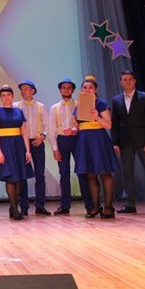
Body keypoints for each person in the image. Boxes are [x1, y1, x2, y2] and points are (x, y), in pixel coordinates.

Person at [75, 75, 119, 219]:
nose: (87, 90)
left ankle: (108, 207)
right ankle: (95, 206)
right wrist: (72, 130)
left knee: (104, 173)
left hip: (98, 139)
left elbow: (109, 125)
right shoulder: (78, 105)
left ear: (96, 90)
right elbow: (78, 125)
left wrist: (97, 117)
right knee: (90, 175)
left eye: (90, 87)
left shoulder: (100, 103)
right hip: (84, 140)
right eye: (84, 87)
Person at [48, 78, 92, 215]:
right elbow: (51, 130)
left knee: (82, 172)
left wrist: (75, 130)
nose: (66, 90)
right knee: (64, 173)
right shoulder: (54, 108)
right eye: (64, 87)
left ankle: (89, 205)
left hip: (78, 140)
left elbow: (85, 123)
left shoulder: (79, 104)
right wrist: (55, 149)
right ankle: (65, 206)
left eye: (69, 88)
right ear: (60, 90)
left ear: (73, 90)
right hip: (62, 141)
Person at [0, 86, 33, 221]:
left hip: (18, 146)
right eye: (3, 95)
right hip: (5, 146)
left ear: (13, 96)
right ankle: (14, 209)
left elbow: (24, 133)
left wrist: (28, 151)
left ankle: (13, 207)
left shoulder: (19, 112)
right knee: (10, 178)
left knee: (18, 177)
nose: (6, 97)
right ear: (0, 97)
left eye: (8, 94)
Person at [111, 70, 145, 214]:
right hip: (125, 142)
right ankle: (129, 204)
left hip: (143, 141)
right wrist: (115, 142)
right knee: (127, 174)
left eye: (130, 79)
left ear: (135, 81)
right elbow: (115, 123)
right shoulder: (116, 100)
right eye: (124, 80)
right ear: (121, 82)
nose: (127, 82)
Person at [14, 80, 50, 216]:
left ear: (33, 91)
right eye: (21, 89)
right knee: (22, 176)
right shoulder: (16, 106)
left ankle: (40, 205)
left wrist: (42, 137)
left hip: (37, 142)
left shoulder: (41, 106)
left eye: (26, 89)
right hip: (22, 143)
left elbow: (46, 125)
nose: (23, 91)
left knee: (40, 175)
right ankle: (23, 206)